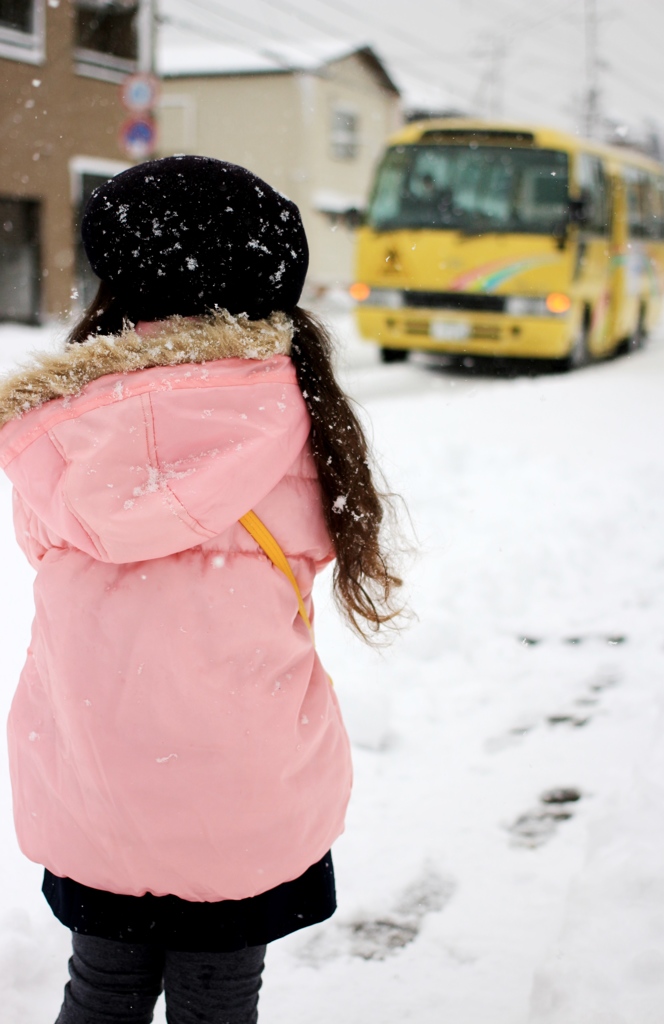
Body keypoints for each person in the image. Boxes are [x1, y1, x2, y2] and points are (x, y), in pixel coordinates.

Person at [0, 156, 403, 1024]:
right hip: (239, 796)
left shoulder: (61, 428)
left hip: (96, 785)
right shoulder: (293, 416)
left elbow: (48, 550)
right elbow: (319, 540)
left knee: (100, 991)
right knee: (219, 1003)